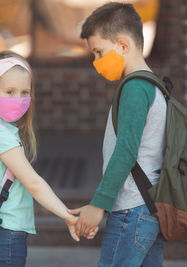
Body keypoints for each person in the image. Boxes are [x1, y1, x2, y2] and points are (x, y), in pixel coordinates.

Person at [0, 50, 97, 267]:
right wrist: (68, 216)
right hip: (6, 237)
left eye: (25, 92)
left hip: (0, 235)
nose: (19, 99)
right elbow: (34, 183)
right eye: (10, 91)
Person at [69, 2, 166, 266]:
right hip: (150, 210)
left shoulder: (135, 88)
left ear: (123, 45)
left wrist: (99, 204)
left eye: (99, 52)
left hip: (131, 212)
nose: (97, 62)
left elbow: (125, 152)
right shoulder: (153, 84)